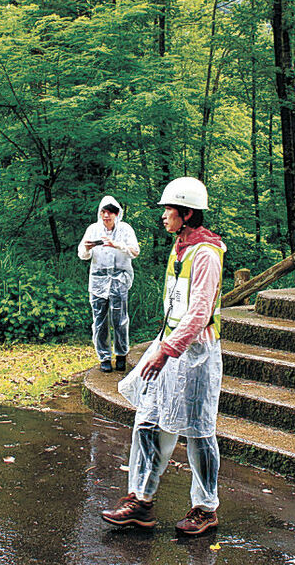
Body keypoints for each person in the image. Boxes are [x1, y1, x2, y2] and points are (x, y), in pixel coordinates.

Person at [103, 177, 225, 536]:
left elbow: (200, 312)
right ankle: (140, 501)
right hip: (169, 348)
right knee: (148, 422)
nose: (164, 216)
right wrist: (162, 348)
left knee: (199, 432)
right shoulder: (180, 248)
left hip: (196, 355)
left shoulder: (206, 253)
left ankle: (206, 508)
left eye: (169, 209)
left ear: (187, 213)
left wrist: (167, 351)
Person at [78, 196, 140, 373]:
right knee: (99, 320)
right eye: (103, 212)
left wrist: (117, 245)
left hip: (119, 280)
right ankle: (104, 357)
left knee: (120, 320)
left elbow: (135, 252)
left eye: (110, 212)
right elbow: (82, 254)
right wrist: (88, 248)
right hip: (98, 281)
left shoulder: (126, 230)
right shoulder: (93, 229)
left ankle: (121, 354)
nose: (106, 216)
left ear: (117, 214)